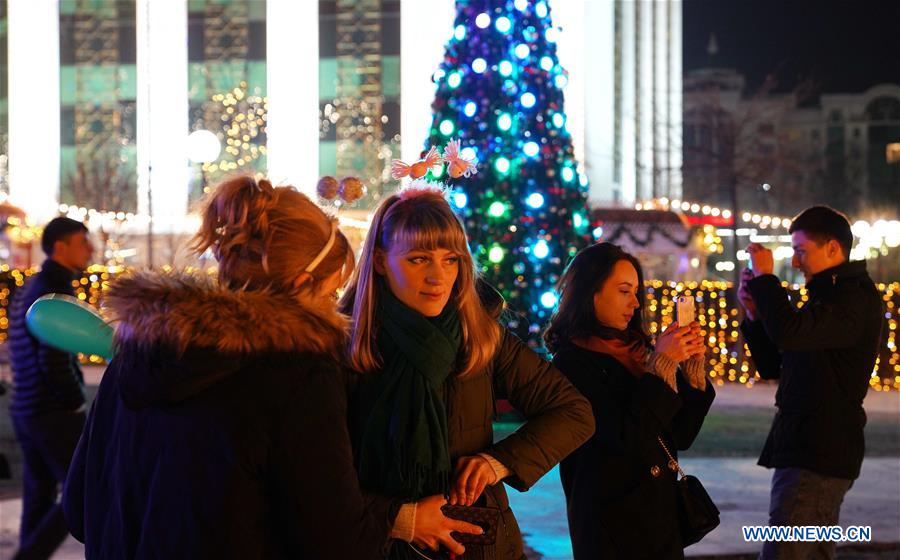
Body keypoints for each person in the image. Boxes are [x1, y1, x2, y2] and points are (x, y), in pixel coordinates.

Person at [63, 176, 400, 558]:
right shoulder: (298, 374)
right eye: (329, 292)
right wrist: (399, 519)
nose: (333, 303)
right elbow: (337, 541)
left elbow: (79, 509)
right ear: (302, 283)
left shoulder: (137, 352)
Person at [340, 185, 595, 559]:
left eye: (450, 259)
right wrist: (402, 518)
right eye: (418, 259)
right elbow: (313, 475)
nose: (437, 277)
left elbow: (574, 413)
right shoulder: (342, 346)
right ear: (380, 261)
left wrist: (498, 462)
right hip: (379, 544)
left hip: (478, 544)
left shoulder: (480, 334)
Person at [544, 242, 715, 560]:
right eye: (624, 291)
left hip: (660, 523)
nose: (635, 303)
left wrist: (691, 371)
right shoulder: (571, 363)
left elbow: (681, 436)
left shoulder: (640, 354)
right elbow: (626, 437)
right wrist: (662, 365)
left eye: (636, 291)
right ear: (591, 293)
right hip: (612, 526)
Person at [738, 206, 883, 560]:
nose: (797, 261)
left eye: (802, 250)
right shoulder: (828, 298)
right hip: (806, 447)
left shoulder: (853, 299)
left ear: (833, 248)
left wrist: (766, 281)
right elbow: (776, 363)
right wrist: (756, 315)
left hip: (818, 452)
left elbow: (789, 333)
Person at [8, 217, 93, 560]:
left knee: (39, 494)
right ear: (61, 246)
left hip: (27, 408)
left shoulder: (35, 285)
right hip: (51, 411)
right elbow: (54, 358)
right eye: (83, 241)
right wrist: (75, 402)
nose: (90, 249)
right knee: (82, 490)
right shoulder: (55, 289)